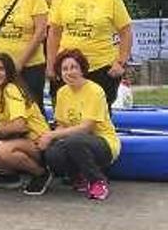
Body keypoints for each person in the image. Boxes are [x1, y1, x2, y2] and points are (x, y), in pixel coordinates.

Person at [46, 0, 132, 107]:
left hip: (101, 68)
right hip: (67, 67)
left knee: (99, 118)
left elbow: (125, 32)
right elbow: (54, 33)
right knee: (65, 114)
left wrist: (120, 63)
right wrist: (51, 64)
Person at [40, 49, 121, 201]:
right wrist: (50, 139)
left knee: (74, 140)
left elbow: (86, 128)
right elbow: (62, 125)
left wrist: (52, 135)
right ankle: (77, 176)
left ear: (82, 69)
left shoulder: (95, 91)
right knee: (53, 153)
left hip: (103, 143)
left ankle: (98, 181)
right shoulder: (62, 92)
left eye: (74, 67)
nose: (69, 72)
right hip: (76, 142)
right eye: (65, 69)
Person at [0, 53, 52, 195]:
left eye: (1, 69)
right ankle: (9, 175)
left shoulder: (11, 89)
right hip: (15, 138)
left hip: (37, 142)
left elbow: (20, 126)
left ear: (9, 72)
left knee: (0, 149)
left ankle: (41, 173)